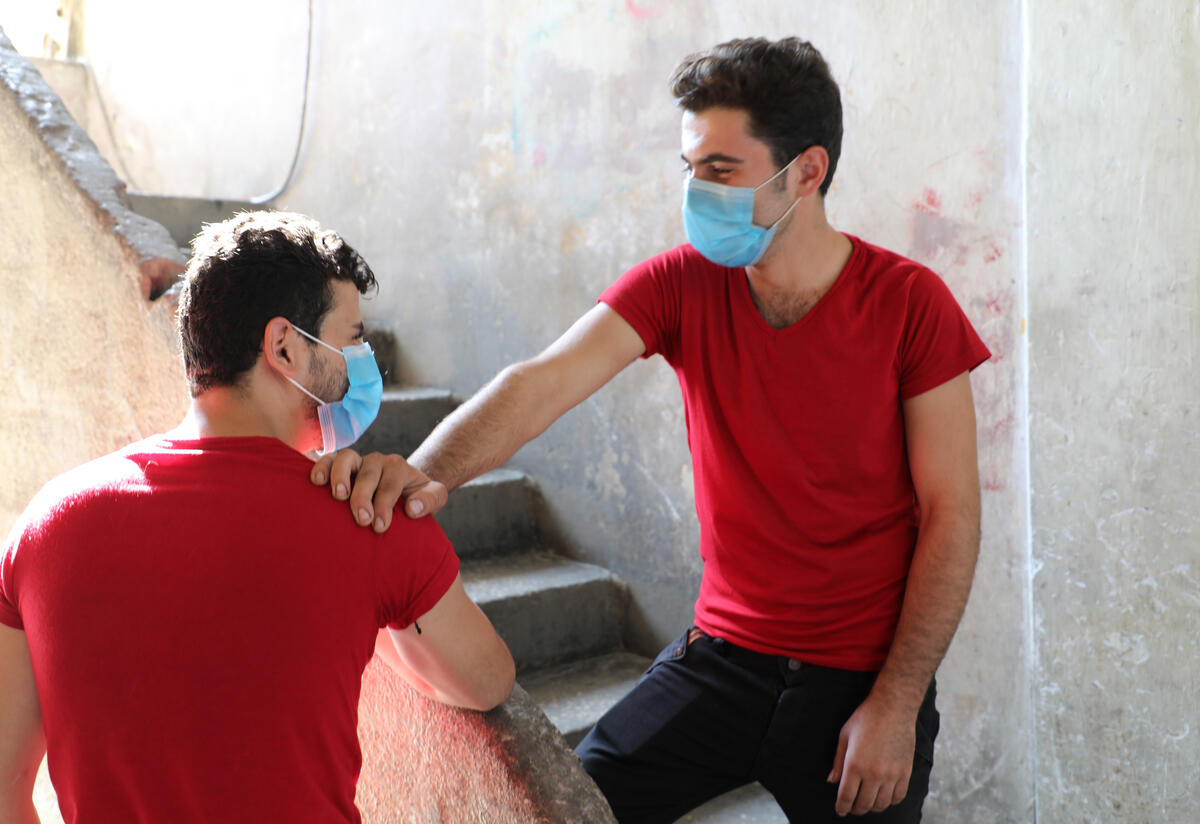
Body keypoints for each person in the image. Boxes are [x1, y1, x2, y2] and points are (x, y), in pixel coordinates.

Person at [314, 37, 989, 823]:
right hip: (723, 663)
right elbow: (541, 383)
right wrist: (426, 474)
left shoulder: (911, 306)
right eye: (690, 168)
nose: (697, 191)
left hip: (862, 681)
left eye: (722, 171)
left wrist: (898, 702)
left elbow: (953, 516)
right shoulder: (682, 285)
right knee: (570, 808)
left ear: (808, 170)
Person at [0, 211, 514, 824]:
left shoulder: (47, 522)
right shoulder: (371, 520)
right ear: (284, 347)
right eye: (351, 339)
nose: (361, 362)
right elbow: (487, 681)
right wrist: (391, 579)